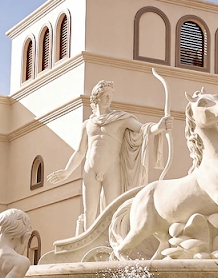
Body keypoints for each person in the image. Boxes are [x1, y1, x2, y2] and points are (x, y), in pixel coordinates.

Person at [48, 80, 169, 231]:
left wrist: (159, 127)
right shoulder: (87, 124)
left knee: (113, 209)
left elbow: (143, 129)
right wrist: (67, 171)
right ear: (96, 98)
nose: (108, 99)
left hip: (112, 170)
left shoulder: (121, 118)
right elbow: (80, 151)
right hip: (90, 170)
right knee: (89, 212)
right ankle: (86, 245)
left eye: (110, 95)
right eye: (105, 95)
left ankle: (112, 244)